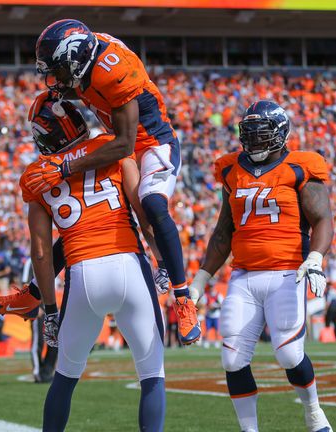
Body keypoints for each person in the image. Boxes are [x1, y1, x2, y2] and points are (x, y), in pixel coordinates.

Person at [22, 19, 200, 344]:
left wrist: (65, 167)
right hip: (116, 141)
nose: (53, 78)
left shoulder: (112, 70)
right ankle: (33, 293)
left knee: (152, 202)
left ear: (77, 58)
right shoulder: (86, 57)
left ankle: (184, 298)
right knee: (83, 224)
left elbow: (125, 143)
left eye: (58, 69)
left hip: (151, 144)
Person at [21, 97, 166, 432]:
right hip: (129, 264)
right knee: (152, 375)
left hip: (82, 272)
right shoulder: (110, 147)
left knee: (65, 376)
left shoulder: (35, 175)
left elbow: (41, 252)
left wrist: (50, 310)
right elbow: (144, 215)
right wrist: (164, 261)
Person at [188, 101, 334, 432]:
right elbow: (223, 232)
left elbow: (322, 217)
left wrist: (315, 258)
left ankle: (313, 412)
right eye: (249, 136)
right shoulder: (230, 170)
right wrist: (199, 281)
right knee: (232, 358)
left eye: (262, 135)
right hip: (244, 275)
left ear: (280, 134)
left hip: (287, 272)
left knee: (288, 354)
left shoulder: (300, 167)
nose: (254, 143)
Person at [203, 282, 224, 349]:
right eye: (210, 287)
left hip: (216, 315)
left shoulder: (218, 295)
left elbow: (222, 304)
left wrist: (215, 306)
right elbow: (203, 305)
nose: (211, 288)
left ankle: (217, 342)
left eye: (212, 286)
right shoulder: (206, 295)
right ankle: (206, 342)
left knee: (217, 330)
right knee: (207, 330)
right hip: (209, 315)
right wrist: (209, 307)